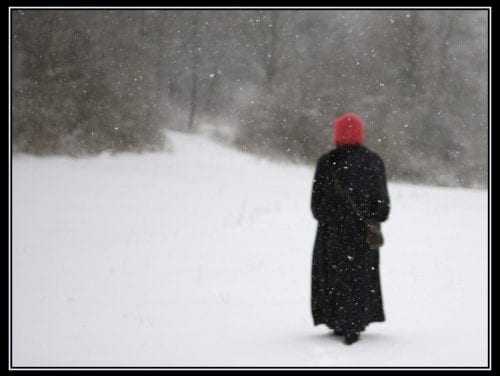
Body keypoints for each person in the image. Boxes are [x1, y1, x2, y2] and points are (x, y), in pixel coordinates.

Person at [310, 112, 390, 345]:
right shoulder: (374, 161)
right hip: (364, 234)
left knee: (333, 276)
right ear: (360, 134)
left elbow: (317, 207)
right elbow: (383, 207)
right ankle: (355, 321)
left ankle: (337, 319)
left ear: (337, 134)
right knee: (360, 277)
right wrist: (369, 217)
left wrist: (335, 218)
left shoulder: (326, 163)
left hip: (331, 235)